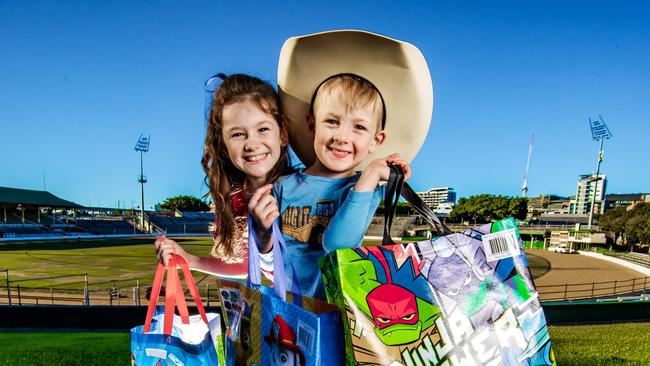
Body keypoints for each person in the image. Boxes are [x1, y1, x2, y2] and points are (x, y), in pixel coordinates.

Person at [252, 30, 434, 300]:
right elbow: (264, 261)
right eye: (332, 121)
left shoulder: (364, 188)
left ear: (376, 141)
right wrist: (262, 232)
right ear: (312, 125)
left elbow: (337, 245)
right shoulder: (282, 187)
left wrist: (372, 174)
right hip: (288, 313)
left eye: (359, 127)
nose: (342, 136)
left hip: (340, 321)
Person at [155, 73, 293, 279]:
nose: (252, 144)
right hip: (288, 308)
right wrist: (189, 260)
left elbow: (300, 272)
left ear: (282, 134)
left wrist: (265, 240)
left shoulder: (303, 189)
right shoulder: (234, 198)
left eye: (263, 129)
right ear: (222, 145)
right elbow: (247, 266)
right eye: (237, 134)